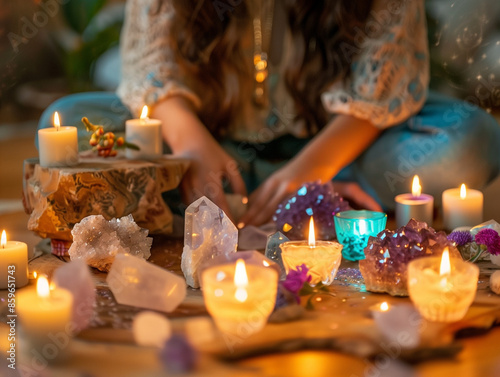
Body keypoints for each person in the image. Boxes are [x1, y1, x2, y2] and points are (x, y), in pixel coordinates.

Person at [38, 0, 500, 227]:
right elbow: (149, 65)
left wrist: (312, 169)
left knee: (464, 144)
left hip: (340, 143)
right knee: (67, 126)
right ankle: (294, 199)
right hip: (202, 136)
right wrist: (192, 147)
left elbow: (383, 84)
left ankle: (232, 196)